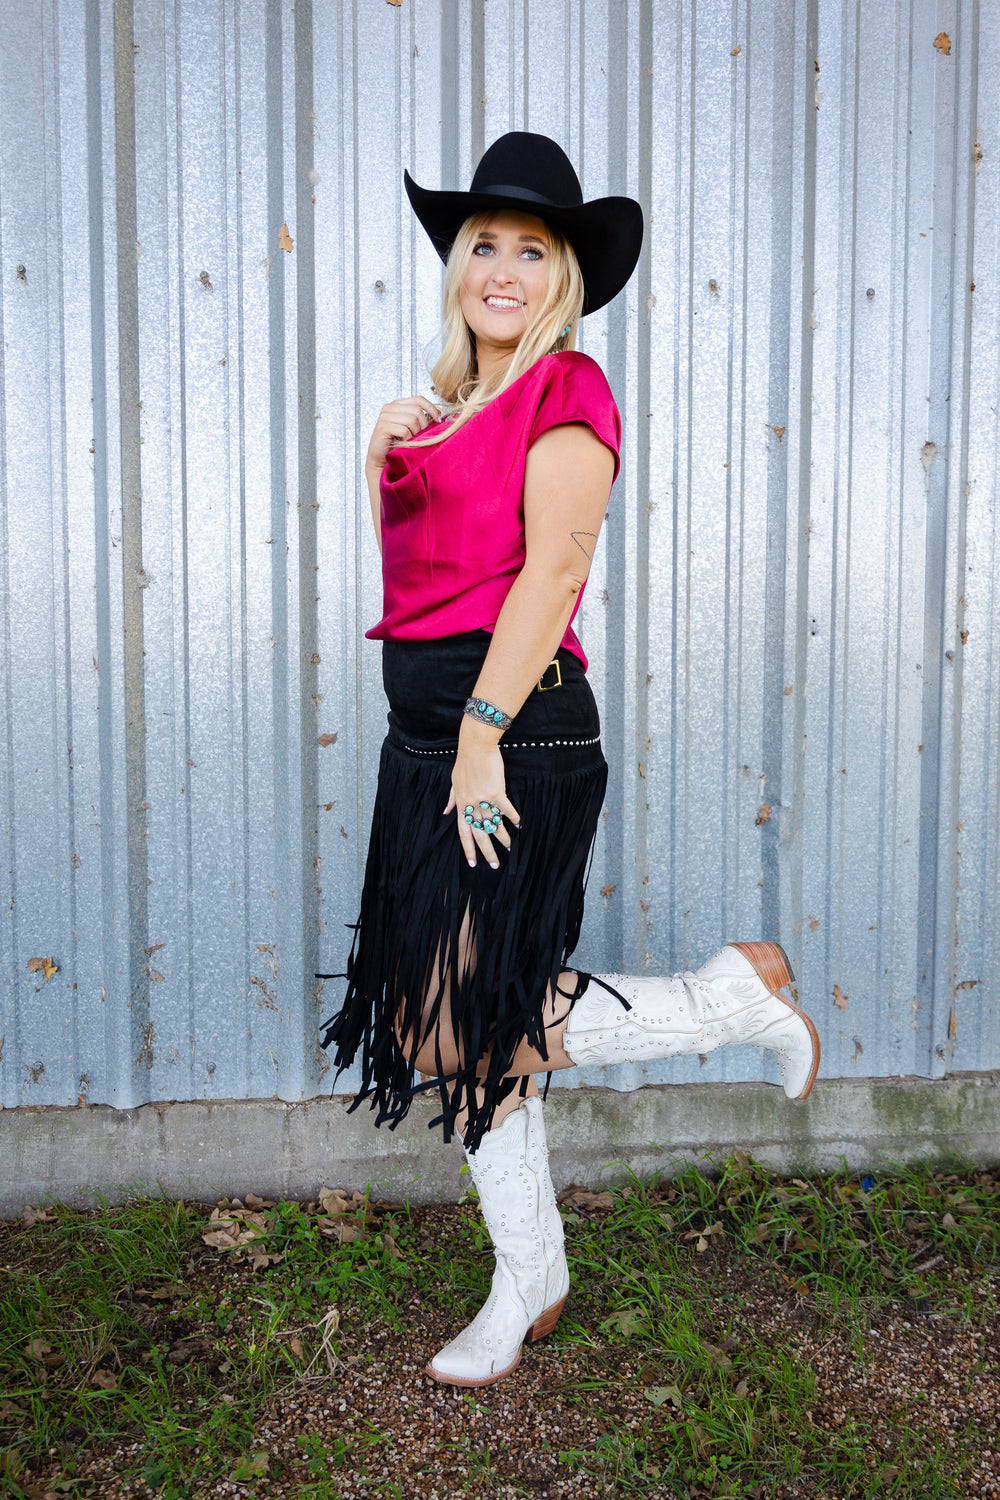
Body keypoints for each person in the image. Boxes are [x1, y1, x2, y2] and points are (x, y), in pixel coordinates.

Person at [319, 132, 820, 1389]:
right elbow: (427, 578)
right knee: (467, 1025)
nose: (499, 267)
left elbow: (551, 573)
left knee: (460, 1021)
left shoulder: (567, 393)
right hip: (425, 740)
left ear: (563, 278)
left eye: (528, 251)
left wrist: (481, 747)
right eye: (481, 242)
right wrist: (382, 450)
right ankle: (531, 1270)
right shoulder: (445, 408)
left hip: (515, 738)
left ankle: (717, 1005)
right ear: (457, 266)